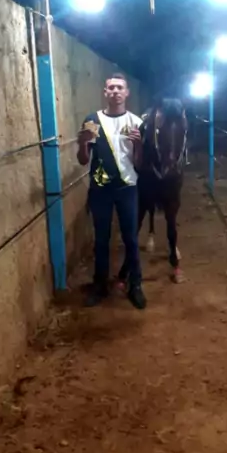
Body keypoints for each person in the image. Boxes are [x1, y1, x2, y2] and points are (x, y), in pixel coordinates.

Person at [77, 72, 147, 309]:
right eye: (111, 88)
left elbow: (140, 164)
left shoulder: (136, 123)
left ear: (126, 93)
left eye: (119, 88)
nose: (115, 91)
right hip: (101, 188)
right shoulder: (92, 121)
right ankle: (100, 285)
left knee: (131, 238)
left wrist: (138, 144)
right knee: (101, 239)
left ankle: (135, 285)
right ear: (105, 92)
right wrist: (83, 143)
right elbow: (83, 160)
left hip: (127, 187)